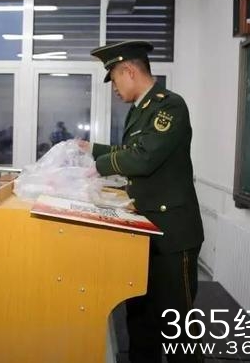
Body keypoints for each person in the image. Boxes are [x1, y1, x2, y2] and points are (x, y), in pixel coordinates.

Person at [78, 40, 204, 363]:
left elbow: (143, 158)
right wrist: (90, 149)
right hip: (144, 231)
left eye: (115, 79)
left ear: (129, 71)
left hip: (172, 235)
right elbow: (129, 152)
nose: (114, 89)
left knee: (177, 327)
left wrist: (97, 165)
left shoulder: (169, 106)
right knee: (141, 320)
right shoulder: (140, 111)